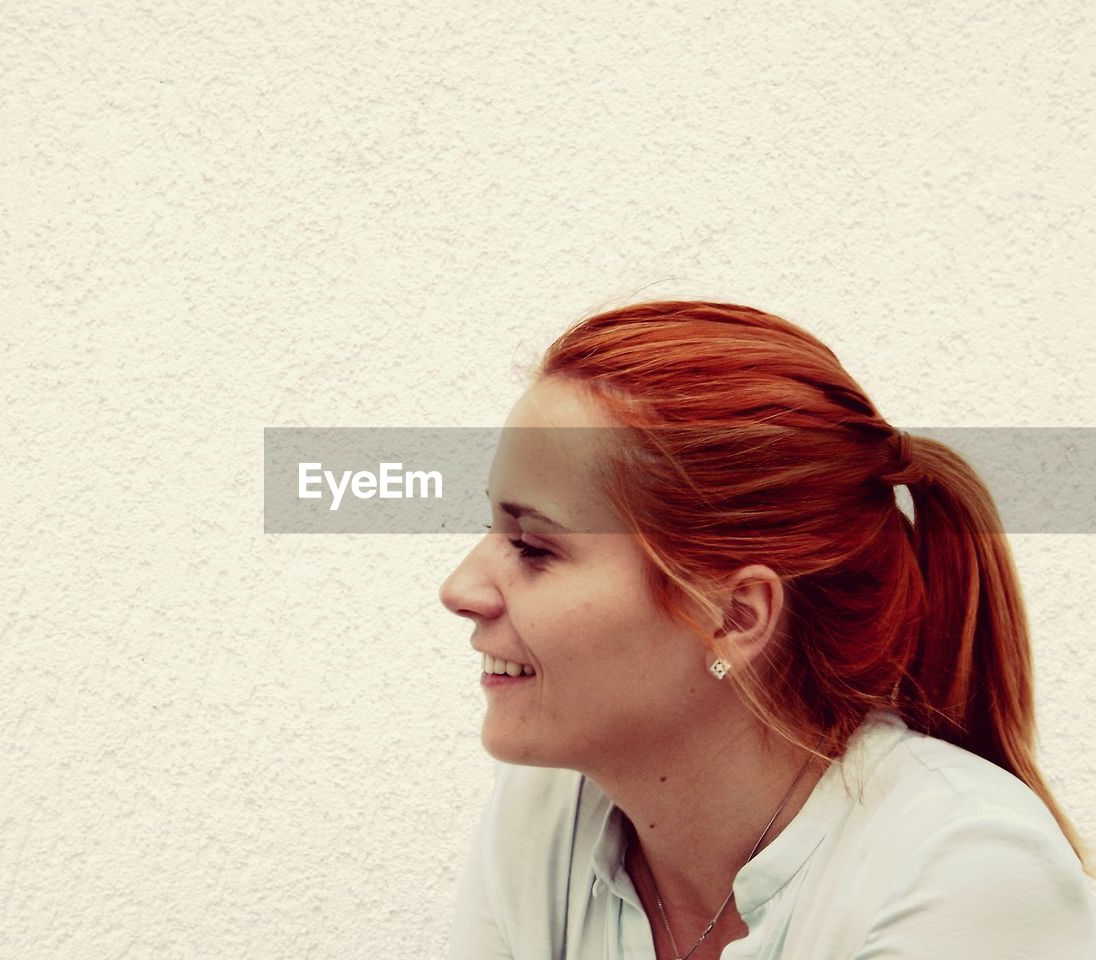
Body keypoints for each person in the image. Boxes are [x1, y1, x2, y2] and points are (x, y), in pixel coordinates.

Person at [438, 300, 1096, 959]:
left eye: (532, 546)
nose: (460, 590)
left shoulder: (963, 871)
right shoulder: (550, 807)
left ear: (734, 616)